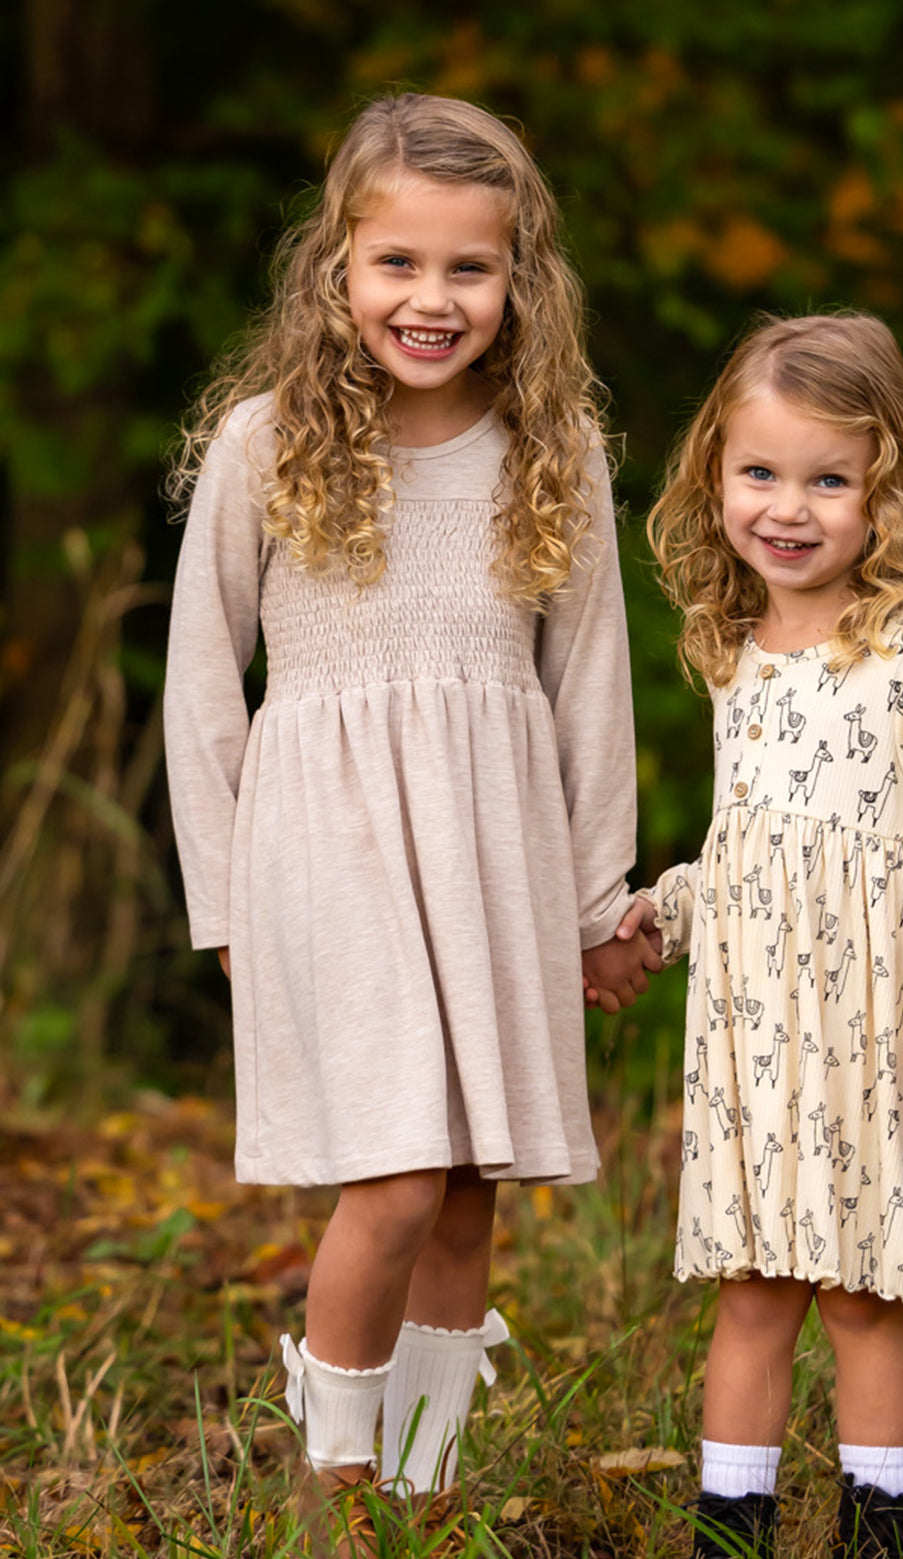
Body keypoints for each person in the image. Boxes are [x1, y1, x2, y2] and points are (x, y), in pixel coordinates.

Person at [164, 92, 658, 1553]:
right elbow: (202, 680)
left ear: (520, 280)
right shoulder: (269, 445)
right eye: (399, 264)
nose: (432, 300)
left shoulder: (549, 444)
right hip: (326, 852)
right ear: (339, 266)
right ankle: (335, 1494)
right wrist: (227, 904)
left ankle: (434, 1491)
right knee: (385, 1175)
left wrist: (592, 895)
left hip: (492, 851)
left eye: (469, 268)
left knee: (459, 1184)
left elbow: (590, 691)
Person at [599, 313, 903, 1559]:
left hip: (879, 1030)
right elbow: (752, 842)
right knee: (752, 1288)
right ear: (716, 474)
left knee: (859, 1292)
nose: (789, 508)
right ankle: (729, 1534)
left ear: (888, 490)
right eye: (762, 473)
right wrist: (667, 909)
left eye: (829, 480)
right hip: (758, 1036)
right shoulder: (736, 650)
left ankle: (879, 1534)